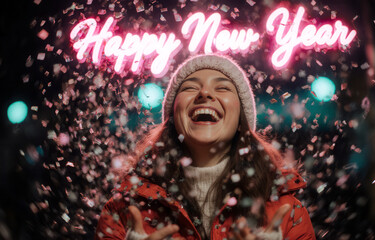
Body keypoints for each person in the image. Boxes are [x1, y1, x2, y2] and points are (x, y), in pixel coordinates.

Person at [95, 54, 316, 240]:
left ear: (241, 120)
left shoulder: (287, 212)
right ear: (173, 116)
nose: (205, 94)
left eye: (222, 88)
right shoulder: (124, 209)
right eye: (191, 87)